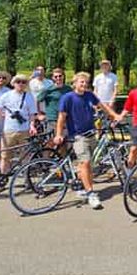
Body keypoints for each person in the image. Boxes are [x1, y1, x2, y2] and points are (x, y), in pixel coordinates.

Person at [54, 72, 119, 210]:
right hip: (78, 136)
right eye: (81, 82)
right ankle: (90, 193)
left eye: (86, 82)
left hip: (91, 134)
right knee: (85, 162)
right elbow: (61, 118)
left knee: (89, 165)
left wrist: (114, 115)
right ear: (75, 83)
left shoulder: (90, 95)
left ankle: (82, 186)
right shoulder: (68, 98)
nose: (84, 84)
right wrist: (59, 134)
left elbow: (103, 106)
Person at [0, 74, 38, 176]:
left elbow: (32, 114)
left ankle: (27, 179)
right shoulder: (6, 95)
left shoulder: (29, 96)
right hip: (9, 130)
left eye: (23, 82)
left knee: (26, 156)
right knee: (5, 156)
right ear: (13, 83)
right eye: (18, 82)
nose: (21, 84)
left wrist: (32, 125)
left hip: (24, 130)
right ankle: (2, 178)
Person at [37, 68, 71, 134]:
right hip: (52, 119)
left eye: (60, 76)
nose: (58, 78)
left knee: (66, 141)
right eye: (56, 76)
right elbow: (37, 100)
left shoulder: (68, 89)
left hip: (65, 119)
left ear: (63, 76)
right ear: (53, 78)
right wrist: (39, 114)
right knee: (52, 141)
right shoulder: (48, 90)